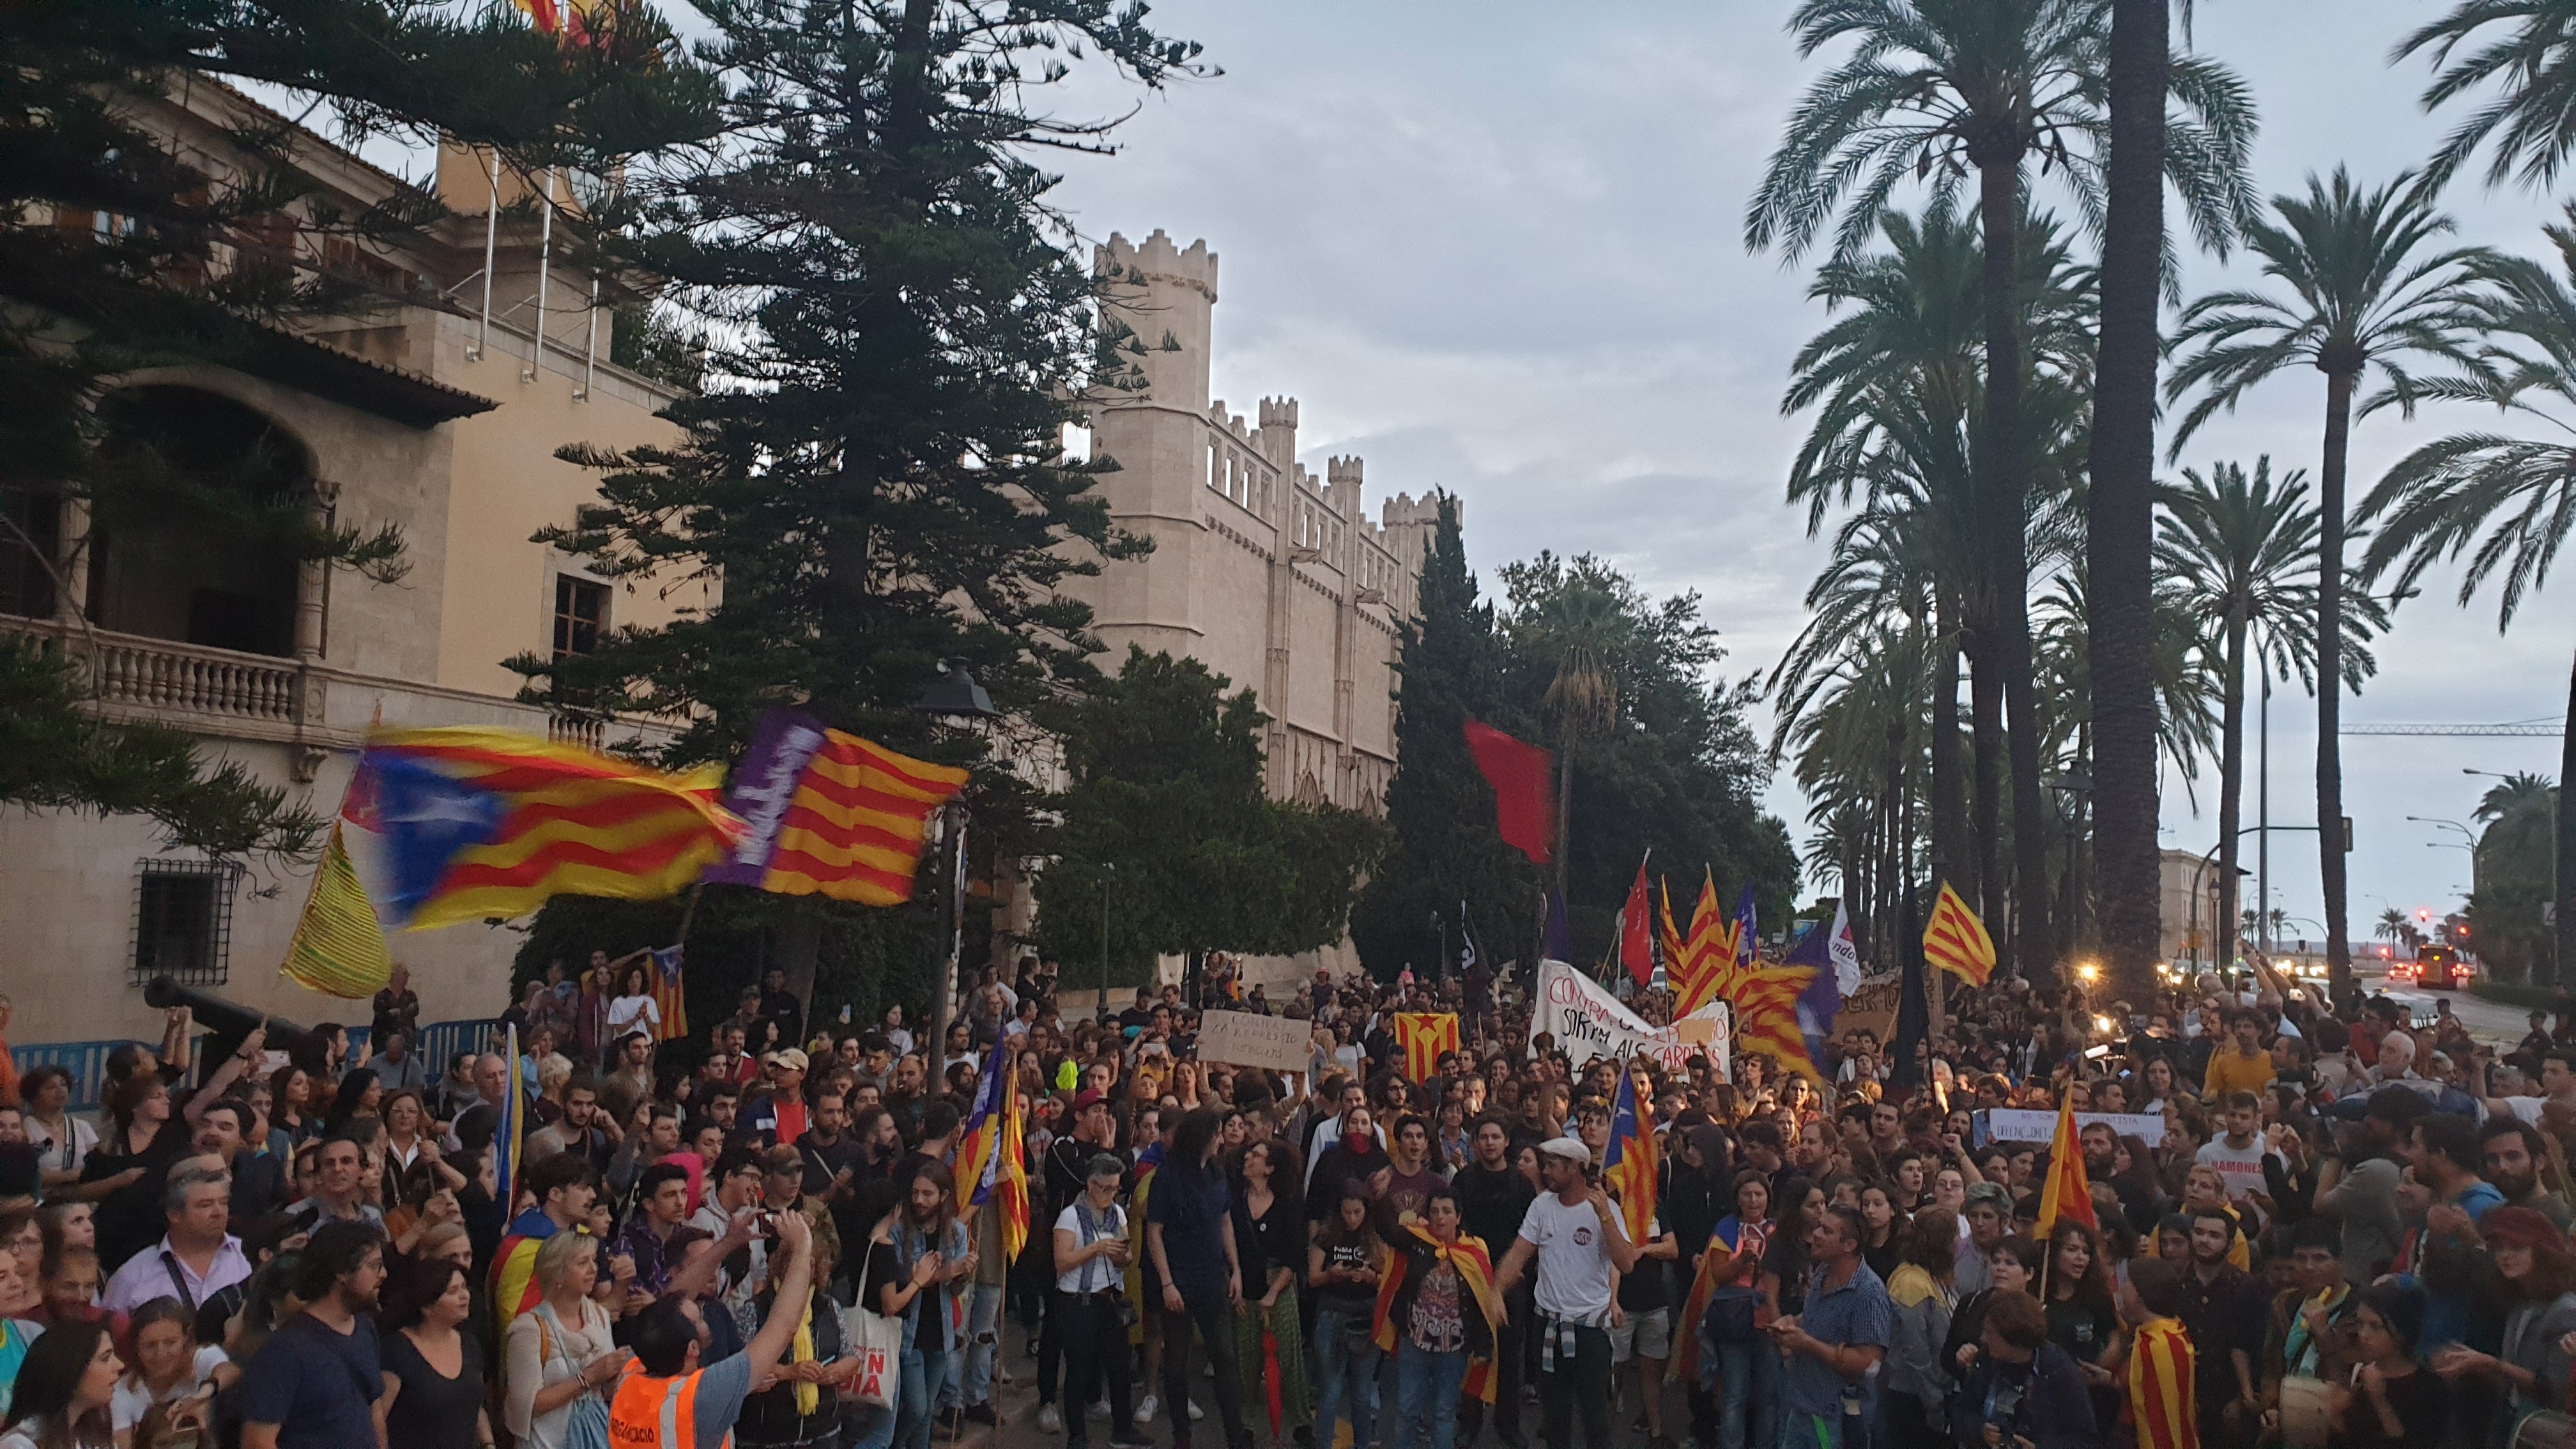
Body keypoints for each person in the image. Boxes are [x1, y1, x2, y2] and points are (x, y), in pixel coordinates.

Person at [610, 1204, 818, 1449]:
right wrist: (802, 1246)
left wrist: (729, 1242)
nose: (704, 1314)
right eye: (699, 1319)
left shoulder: (633, 1370)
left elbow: (672, 1300)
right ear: (693, 1348)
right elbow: (782, 1326)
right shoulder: (702, 1396)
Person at [1493, 1136, 1640, 1449]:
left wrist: (1604, 1217)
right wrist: (1496, 1290)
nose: (1545, 1171)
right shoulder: (1541, 1205)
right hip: (1547, 1326)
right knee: (1554, 1420)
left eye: (1552, 1165)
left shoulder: (1605, 1208)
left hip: (1589, 1331)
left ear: (1575, 1168)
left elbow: (1626, 1263)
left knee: (1595, 1420)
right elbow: (1519, 1253)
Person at [1144, 1108, 1248, 1449]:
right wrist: (1167, 1283)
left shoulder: (1218, 1174)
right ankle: (1181, 1435)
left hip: (1212, 1278)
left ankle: (1235, 1433)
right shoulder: (1167, 1176)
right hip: (1179, 1280)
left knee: (1225, 1357)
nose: (1222, 1139)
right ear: (1203, 1137)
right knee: (1176, 1362)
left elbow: (1225, 1221)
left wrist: (1235, 1269)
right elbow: (1154, 1233)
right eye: (1217, 1133)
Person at [2426, 1205, 2576, 1441]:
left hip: (2545, 1431)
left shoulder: (2565, 1310)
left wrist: (2494, 1364)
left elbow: (2554, 1392)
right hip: (2511, 1420)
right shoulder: (2519, 1302)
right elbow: (2511, 1385)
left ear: (2542, 1252)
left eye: (2517, 1247)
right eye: (2499, 1249)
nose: (2505, 1256)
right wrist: (2472, 1364)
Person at [238, 1220, 388, 1449]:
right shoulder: (284, 1351)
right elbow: (258, 1441)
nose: (383, 1274)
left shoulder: (365, 1329)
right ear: (342, 1272)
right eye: (374, 1266)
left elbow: (373, 1410)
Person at [1378, 1183, 1504, 1449]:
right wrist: (1379, 1198)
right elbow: (1388, 1231)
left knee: (1444, 1413)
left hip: (1454, 1348)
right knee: (1407, 1410)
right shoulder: (1417, 1241)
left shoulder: (1475, 1252)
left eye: (1447, 1211)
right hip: (1416, 1341)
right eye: (1434, 1211)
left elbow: (1484, 1301)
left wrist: (1484, 1348)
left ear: (1458, 1217)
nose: (1440, 1217)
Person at [1768, 1205, 1889, 1449]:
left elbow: (1870, 1363)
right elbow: (1817, 1318)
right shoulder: (1823, 1272)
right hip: (1801, 1405)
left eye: (1827, 1231)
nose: (1817, 1235)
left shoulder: (1869, 1294)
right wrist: (1793, 1322)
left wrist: (1807, 1344)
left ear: (1849, 1245)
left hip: (1834, 1417)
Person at [1051, 1153, 1149, 1449]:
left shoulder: (1117, 1213)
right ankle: (1077, 1435)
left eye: (1114, 1189)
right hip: (1078, 1301)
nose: (1110, 1195)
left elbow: (1127, 1257)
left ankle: (1123, 1429)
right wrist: (1095, 1249)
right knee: (1079, 1369)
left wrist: (1122, 1254)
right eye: (1104, 1188)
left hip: (1110, 1297)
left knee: (1119, 1368)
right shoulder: (1070, 1216)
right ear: (1090, 1185)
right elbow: (1062, 1261)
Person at [502, 1229, 625, 1449]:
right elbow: (526, 1406)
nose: (593, 1270)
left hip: (594, 1440)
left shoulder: (599, 1317)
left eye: (594, 1261)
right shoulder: (529, 1330)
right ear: (557, 1274)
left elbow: (607, 1392)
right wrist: (588, 1377)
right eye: (582, 1263)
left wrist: (618, 1374)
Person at [1227, 1139, 1309, 1446]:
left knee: (1290, 1362)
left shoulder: (1287, 1204)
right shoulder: (1235, 1202)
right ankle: (1245, 1427)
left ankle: (1301, 1424)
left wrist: (1274, 1292)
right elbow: (1228, 1245)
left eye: (1256, 1155)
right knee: (1245, 1362)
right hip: (1245, 1290)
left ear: (1270, 1167)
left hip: (1280, 1290)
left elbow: (1294, 1256)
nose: (1248, 1157)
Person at [98, 1163, 250, 1319]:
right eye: (205, 1205)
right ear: (174, 1214)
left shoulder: (249, 1258)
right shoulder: (133, 1276)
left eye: (223, 1203)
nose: (219, 1212)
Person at [376, 1257, 490, 1449]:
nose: (465, 1296)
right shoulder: (397, 1351)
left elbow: (474, 1404)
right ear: (427, 1307)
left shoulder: (470, 1345)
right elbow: (378, 1420)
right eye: (453, 1291)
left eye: (464, 1287)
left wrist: (489, 1443)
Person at [1310, 1186, 1386, 1449]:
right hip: (1332, 1315)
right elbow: (1312, 1277)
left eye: (1358, 1213)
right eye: (1347, 1213)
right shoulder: (1326, 1236)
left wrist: (1369, 1277)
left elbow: (1387, 1279)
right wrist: (1332, 1275)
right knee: (1330, 1392)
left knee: (1362, 1394)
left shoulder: (1374, 1239)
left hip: (1366, 1317)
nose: (1352, 1219)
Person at [2329, 1282, 2445, 1449]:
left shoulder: (2429, 1387)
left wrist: (2380, 1402)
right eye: (2360, 1324)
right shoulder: (2359, 1376)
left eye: (2375, 1327)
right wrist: (2336, 1416)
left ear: (2401, 1331)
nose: (2364, 1336)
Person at [1881, 1207, 1958, 1449]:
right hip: (1913, 1399)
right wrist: (1935, 1404)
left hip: (1931, 1393)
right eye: (1956, 1234)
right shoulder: (1911, 1283)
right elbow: (1916, 1353)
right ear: (1945, 1242)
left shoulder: (1933, 1276)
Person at [110, 1298, 222, 1446]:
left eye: (170, 1343)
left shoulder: (201, 1360)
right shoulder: (121, 1393)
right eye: (150, 1346)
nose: (161, 1354)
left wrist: (203, 1395)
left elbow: (232, 1372)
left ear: (186, 1339)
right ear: (136, 1348)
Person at [0, 1318, 122, 1449]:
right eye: (105, 1359)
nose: (120, 1365)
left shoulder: (94, 1435)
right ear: (72, 1372)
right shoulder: (20, 1444)